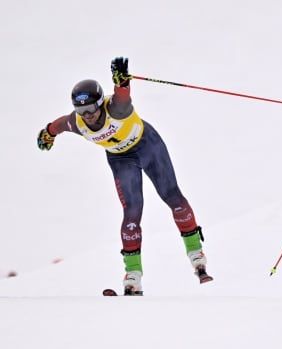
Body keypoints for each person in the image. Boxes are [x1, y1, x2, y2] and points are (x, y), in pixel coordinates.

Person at [36, 57, 212, 295]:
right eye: (81, 110)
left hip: (148, 146)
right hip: (121, 159)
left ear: (100, 103)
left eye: (90, 109)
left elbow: (122, 96)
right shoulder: (77, 123)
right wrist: (47, 133)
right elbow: (58, 125)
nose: (87, 115)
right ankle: (133, 275)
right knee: (132, 212)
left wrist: (122, 80)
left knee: (172, 197)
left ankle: (196, 254)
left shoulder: (116, 109)